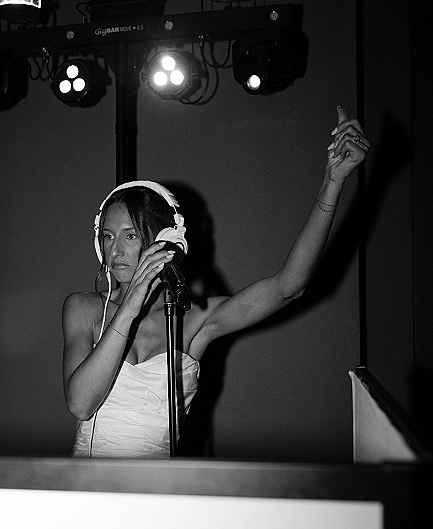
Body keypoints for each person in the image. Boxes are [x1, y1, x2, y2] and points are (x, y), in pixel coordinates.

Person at [63, 107, 369, 458]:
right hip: (88, 496)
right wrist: (129, 306)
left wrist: (333, 183)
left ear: (166, 239)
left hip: (159, 500)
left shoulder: (195, 321)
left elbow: (289, 286)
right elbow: (81, 404)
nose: (114, 249)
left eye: (130, 236)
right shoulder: (83, 308)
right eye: (107, 236)